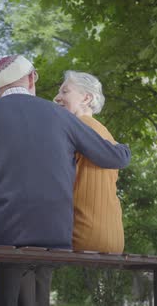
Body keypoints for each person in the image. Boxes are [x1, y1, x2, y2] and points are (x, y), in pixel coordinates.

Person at [0, 55, 131, 306]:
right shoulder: (64, 117)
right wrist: (124, 149)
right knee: (31, 266)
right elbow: (115, 157)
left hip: (1, 230)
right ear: (31, 78)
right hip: (56, 232)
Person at [53, 71, 124, 253]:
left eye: (65, 92)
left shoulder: (76, 129)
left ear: (86, 98)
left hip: (82, 236)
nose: (57, 98)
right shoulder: (103, 132)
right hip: (113, 237)